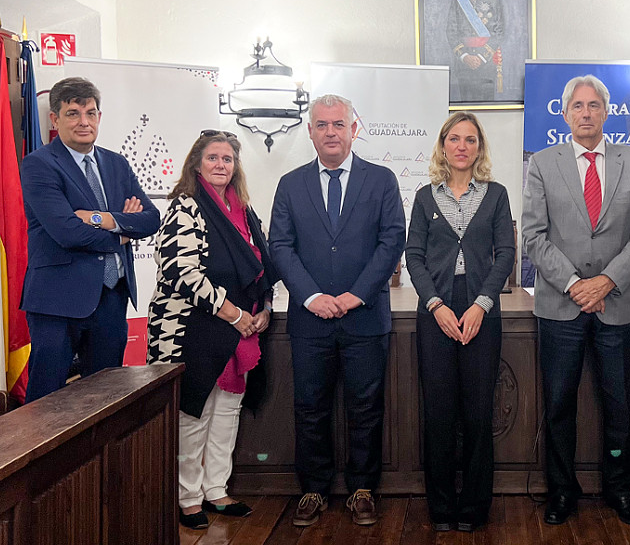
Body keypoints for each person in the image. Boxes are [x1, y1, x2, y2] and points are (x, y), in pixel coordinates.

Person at [522, 75, 630, 526]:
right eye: (577, 106)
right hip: (560, 306)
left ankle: (620, 488)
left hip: (615, 304)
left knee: (619, 404)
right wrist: (576, 285)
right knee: (559, 404)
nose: (585, 113)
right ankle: (562, 491)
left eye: (593, 105)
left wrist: (606, 282)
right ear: (565, 115)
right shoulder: (542, 163)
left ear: (606, 111)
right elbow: (534, 236)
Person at [269, 94, 406, 527]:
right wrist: (311, 296)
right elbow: (280, 246)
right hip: (310, 319)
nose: (330, 132)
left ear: (354, 128)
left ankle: (363, 489)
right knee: (310, 407)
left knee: (366, 407)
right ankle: (313, 489)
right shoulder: (290, 184)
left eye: (338, 124)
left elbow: (391, 241)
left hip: (365, 316)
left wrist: (356, 295)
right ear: (310, 131)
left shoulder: (381, 180)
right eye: (322, 125)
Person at [146, 130, 278, 530]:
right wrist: (235, 315)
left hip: (238, 331)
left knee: (226, 414)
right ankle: (187, 497)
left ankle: (216, 490)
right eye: (213, 158)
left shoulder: (244, 209)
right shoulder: (185, 206)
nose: (221, 165)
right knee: (194, 413)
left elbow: (262, 265)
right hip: (194, 328)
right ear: (196, 163)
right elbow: (182, 273)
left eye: (227, 159)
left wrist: (265, 308)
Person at [405, 112, 515, 532]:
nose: (462, 146)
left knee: (477, 414)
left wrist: (481, 304)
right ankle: (441, 507)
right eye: (455, 138)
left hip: (480, 311)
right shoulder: (424, 197)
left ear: (479, 147)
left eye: (471, 139)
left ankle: (473, 508)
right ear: (443, 145)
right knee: (438, 413)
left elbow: (504, 253)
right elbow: (414, 256)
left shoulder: (496, 194)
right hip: (436, 311)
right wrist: (435, 304)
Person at [20, 77, 160, 402]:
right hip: (57, 303)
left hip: (111, 299)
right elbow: (66, 231)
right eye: (73, 113)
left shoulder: (116, 164)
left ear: (99, 116)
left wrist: (103, 219)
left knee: (104, 401)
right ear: (55, 119)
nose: (84, 122)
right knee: (47, 405)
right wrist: (121, 236)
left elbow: (151, 219)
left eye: (91, 113)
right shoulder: (39, 165)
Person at [447, 0, 504, 102]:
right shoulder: (457, 0)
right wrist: (465, 56)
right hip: (464, 66)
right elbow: (451, 31)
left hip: (486, 64)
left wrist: (481, 56)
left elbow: (500, 31)